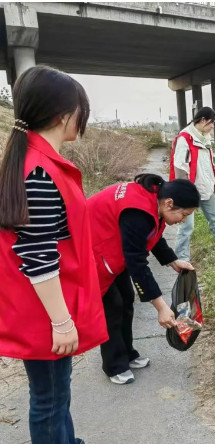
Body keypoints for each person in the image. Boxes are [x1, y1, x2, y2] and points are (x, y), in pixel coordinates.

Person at [0, 65, 107, 444]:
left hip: (43, 306)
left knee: (56, 395)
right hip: (44, 311)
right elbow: (38, 253)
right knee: (49, 399)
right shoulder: (40, 173)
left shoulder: (36, 162)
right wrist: (61, 322)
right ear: (65, 115)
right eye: (81, 110)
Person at [87, 173, 200, 384]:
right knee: (113, 308)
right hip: (92, 252)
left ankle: (127, 353)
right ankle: (114, 365)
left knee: (126, 300)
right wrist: (161, 307)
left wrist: (172, 260)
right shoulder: (137, 211)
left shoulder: (155, 200)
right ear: (169, 203)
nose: (183, 220)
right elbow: (137, 263)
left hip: (111, 249)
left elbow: (152, 235)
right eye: (184, 214)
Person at [170, 106, 215, 261]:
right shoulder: (185, 139)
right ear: (203, 120)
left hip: (206, 187)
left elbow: (209, 163)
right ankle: (182, 260)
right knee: (186, 226)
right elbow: (180, 168)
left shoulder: (205, 138)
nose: (212, 126)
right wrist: (185, 192)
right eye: (211, 123)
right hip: (189, 191)